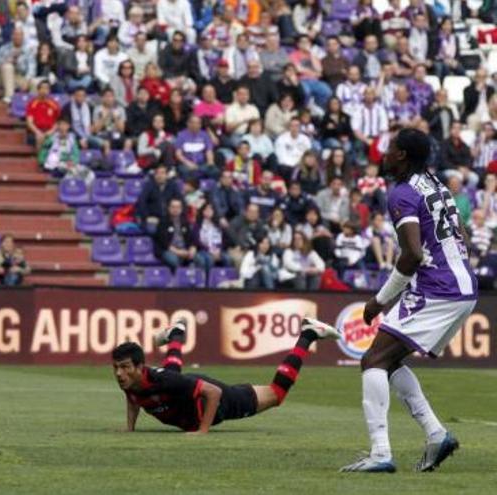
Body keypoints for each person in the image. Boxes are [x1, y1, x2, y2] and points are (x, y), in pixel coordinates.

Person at [341, 128, 476, 473]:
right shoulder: (436, 184)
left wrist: (379, 301)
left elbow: (412, 254)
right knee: (388, 360)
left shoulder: (402, 192)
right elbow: (461, 233)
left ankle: (381, 453)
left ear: (401, 156)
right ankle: (436, 434)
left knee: (372, 360)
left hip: (437, 287)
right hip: (461, 285)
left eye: (389, 149)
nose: (383, 154)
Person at [113, 318, 340, 434]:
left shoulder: (161, 381)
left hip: (220, 401)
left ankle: (308, 334)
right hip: (180, 390)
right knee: (173, 375)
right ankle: (176, 332)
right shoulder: (131, 380)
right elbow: (132, 397)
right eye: (116, 368)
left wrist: (203, 431)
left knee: (276, 395)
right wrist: (130, 428)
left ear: (140, 366)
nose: (119, 373)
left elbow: (214, 392)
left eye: (124, 367)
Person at [155, 198, 207, 271]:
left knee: (200, 260)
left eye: (178, 207)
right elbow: (163, 242)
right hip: (169, 250)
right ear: (169, 208)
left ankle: (201, 281)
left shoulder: (185, 221)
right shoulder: (163, 222)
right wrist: (178, 252)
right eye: (173, 207)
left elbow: (192, 238)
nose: (175, 209)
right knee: (174, 261)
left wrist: (193, 248)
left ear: (181, 209)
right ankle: (180, 280)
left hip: (184, 250)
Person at [26, 81, 61, 151]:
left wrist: (51, 131)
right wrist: (38, 132)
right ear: (38, 90)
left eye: (47, 88)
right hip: (36, 132)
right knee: (40, 137)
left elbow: (58, 122)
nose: (45, 90)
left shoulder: (54, 104)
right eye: (42, 88)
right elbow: (29, 122)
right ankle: (41, 160)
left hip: (51, 131)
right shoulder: (32, 104)